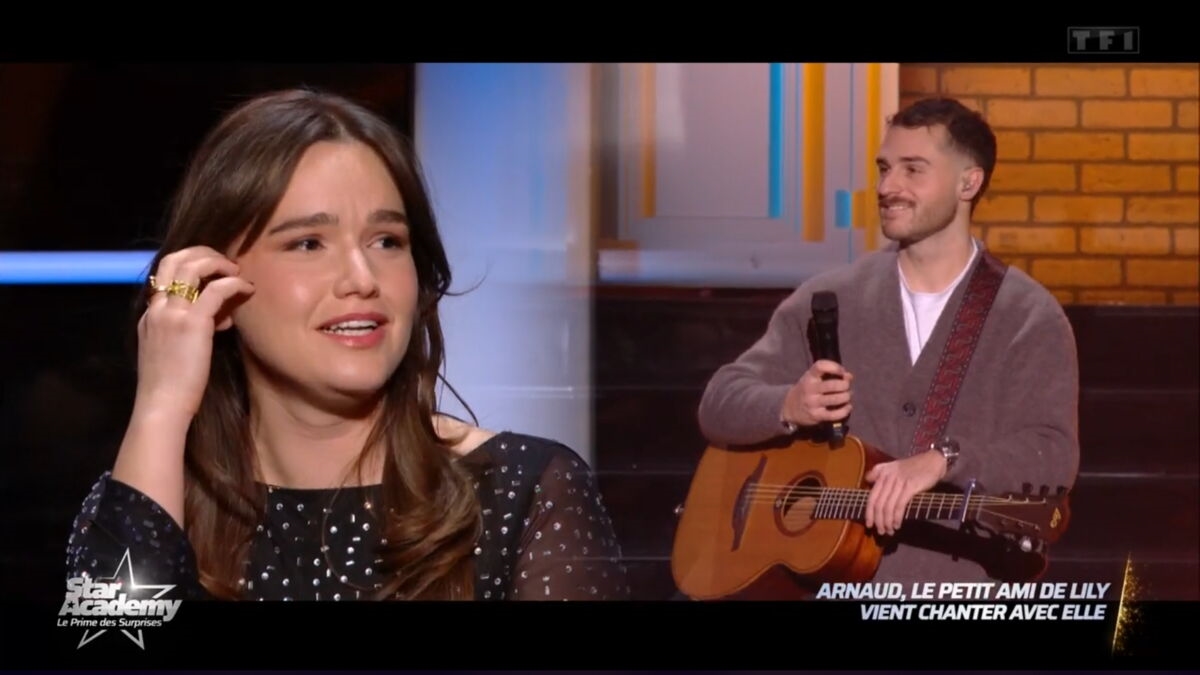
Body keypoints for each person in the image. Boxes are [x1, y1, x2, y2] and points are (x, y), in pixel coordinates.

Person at [64, 88, 630, 601]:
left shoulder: (524, 491)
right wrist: (161, 406)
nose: (362, 278)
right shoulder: (149, 493)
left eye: (387, 241)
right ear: (218, 285)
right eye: (309, 244)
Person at [696, 97, 1080, 586]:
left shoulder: (1029, 316)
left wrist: (944, 460)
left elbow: (1052, 452)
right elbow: (719, 403)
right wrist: (788, 405)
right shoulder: (827, 297)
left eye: (912, 170)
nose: (886, 187)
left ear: (968, 183)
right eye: (884, 168)